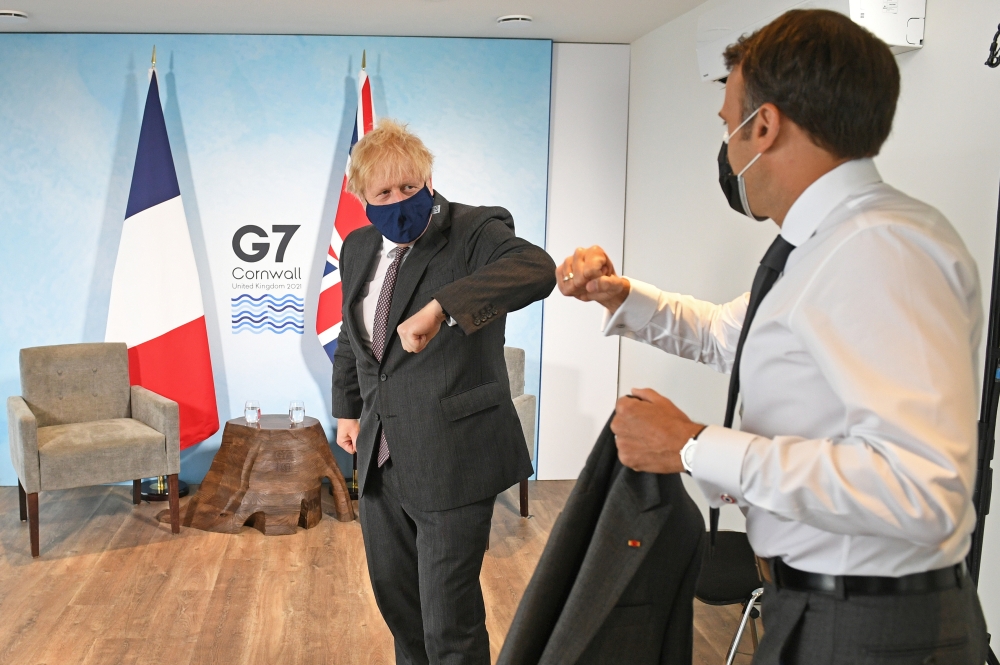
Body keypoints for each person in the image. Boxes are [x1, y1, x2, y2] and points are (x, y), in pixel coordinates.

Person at [557, 10, 988, 665]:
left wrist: (697, 446)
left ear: (764, 125)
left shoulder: (881, 251)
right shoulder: (821, 247)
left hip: (875, 629)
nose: (728, 147)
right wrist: (622, 294)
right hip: (814, 607)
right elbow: (732, 333)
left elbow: (921, 488)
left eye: (728, 122)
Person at [332, 118, 555, 665]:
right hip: (381, 458)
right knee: (399, 606)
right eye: (383, 192)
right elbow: (353, 339)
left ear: (429, 179)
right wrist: (347, 411)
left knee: (447, 620)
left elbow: (536, 269)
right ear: (361, 196)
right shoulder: (359, 247)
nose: (399, 200)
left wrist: (441, 308)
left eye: (410, 187)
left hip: (454, 457)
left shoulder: (475, 229)